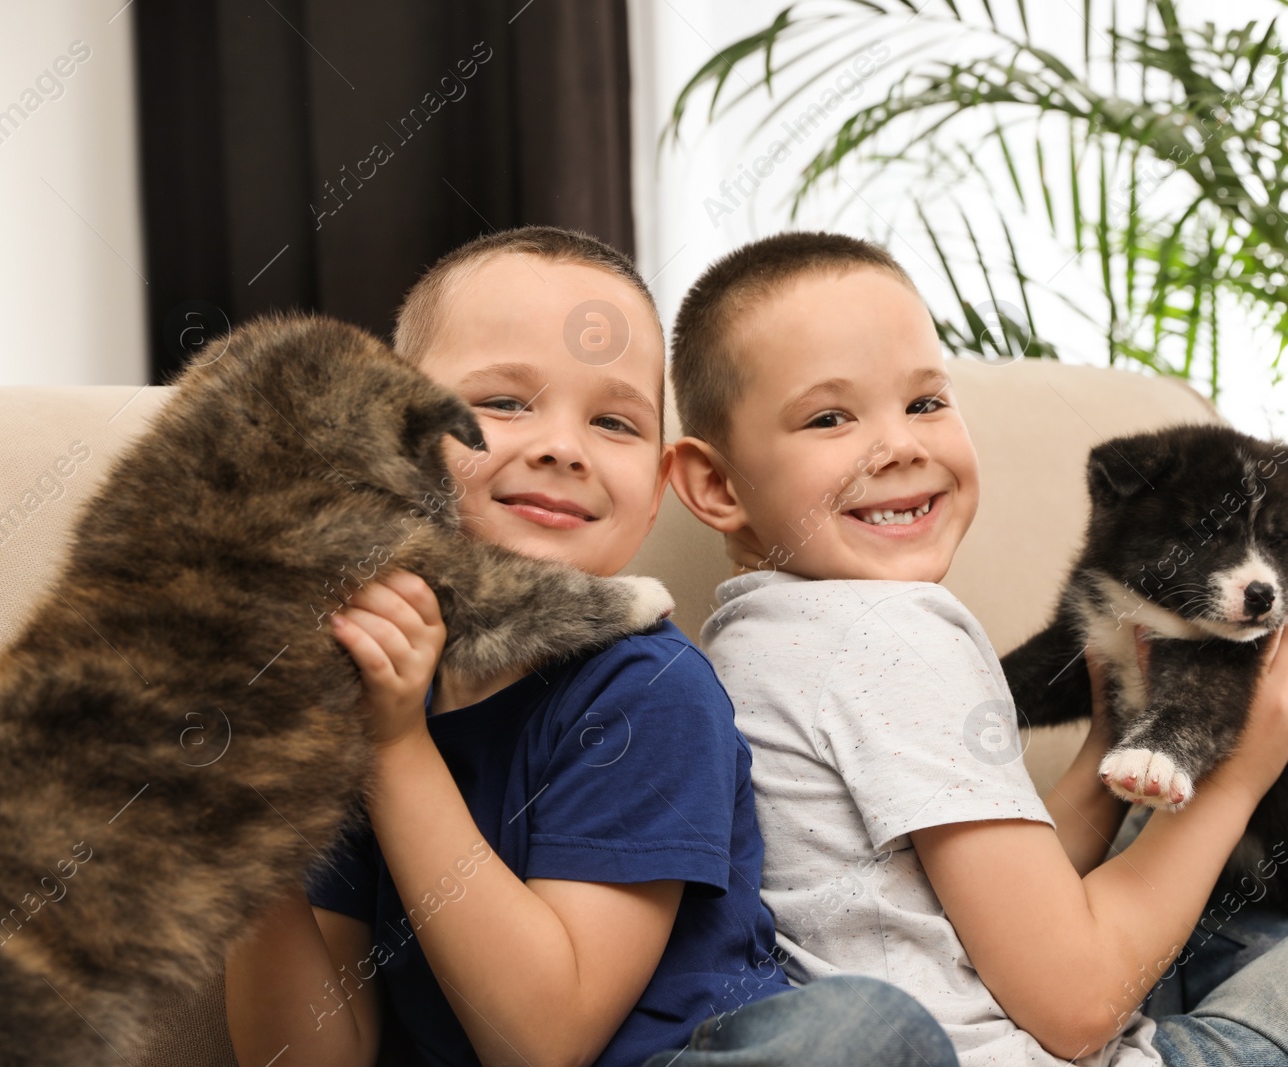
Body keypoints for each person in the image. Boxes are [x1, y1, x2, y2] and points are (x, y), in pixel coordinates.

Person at [666, 229, 1288, 1066]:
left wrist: (1109, 744)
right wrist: (1242, 768)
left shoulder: (749, 641)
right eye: (831, 418)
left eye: (925, 400)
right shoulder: (892, 634)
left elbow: (989, 899)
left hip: (1000, 1004)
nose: (897, 445)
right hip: (1078, 1049)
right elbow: (1076, 1004)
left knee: (1246, 909)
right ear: (713, 482)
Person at [224, 226, 958, 1067]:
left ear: (656, 486)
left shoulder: (651, 689)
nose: (562, 447)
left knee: (868, 1032)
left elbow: (543, 1039)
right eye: (501, 404)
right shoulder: (350, 695)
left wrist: (396, 746)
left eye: (612, 420)